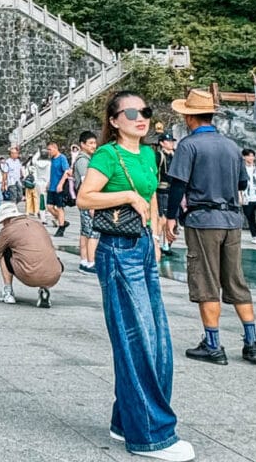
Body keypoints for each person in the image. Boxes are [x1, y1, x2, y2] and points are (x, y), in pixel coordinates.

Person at [76, 91, 194, 462]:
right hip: (116, 250)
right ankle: (151, 436)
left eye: (145, 112)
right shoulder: (107, 155)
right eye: (131, 112)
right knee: (137, 336)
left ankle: (125, 421)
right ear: (113, 120)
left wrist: (157, 233)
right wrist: (126, 194)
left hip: (143, 246)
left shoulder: (147, 153)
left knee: (156, 335)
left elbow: (152, 195)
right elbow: (84, 197)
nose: (140, 117)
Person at [164, 88, 256, 366]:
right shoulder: (231, 146)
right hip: (232, 221)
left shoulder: (188, 145)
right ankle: (252, 342)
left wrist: (170, 218)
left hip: (203, 220)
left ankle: (213, 343)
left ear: (190, 117)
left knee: (206, 281)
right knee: (236, 280)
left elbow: (178, 184)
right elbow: (242, 184)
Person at [0, 201, 62, 307]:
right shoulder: (38, 224)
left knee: (4, 253)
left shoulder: (8, 230)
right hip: (54, 275)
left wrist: (5, 245)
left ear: (6, 219)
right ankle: (44, 291)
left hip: (29, 275)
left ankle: (8, 292)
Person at [70, 130, 99, 274]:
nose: (94, 146)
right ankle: (90, 262)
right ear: (82, 144)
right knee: (92, 232)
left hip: (85, 200)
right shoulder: (83, 160)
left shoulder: (86, 159)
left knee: (85, 231)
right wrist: (93, 204)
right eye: (91, 143)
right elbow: (85, 182)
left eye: (95, 143)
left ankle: (84, 260)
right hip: (88, 200)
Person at [46, 140, 70, 235]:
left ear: (55, 148)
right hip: (52, 186)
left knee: (60, 207)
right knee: (49, 207)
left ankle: (61, 227)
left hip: (59, 187)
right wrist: (49, 182)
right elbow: (52, 173)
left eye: (50, 149)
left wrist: (61, 183)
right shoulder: (52, 159)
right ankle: (63, 221)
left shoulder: (62, 158)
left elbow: (67, 171)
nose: (49, 151)